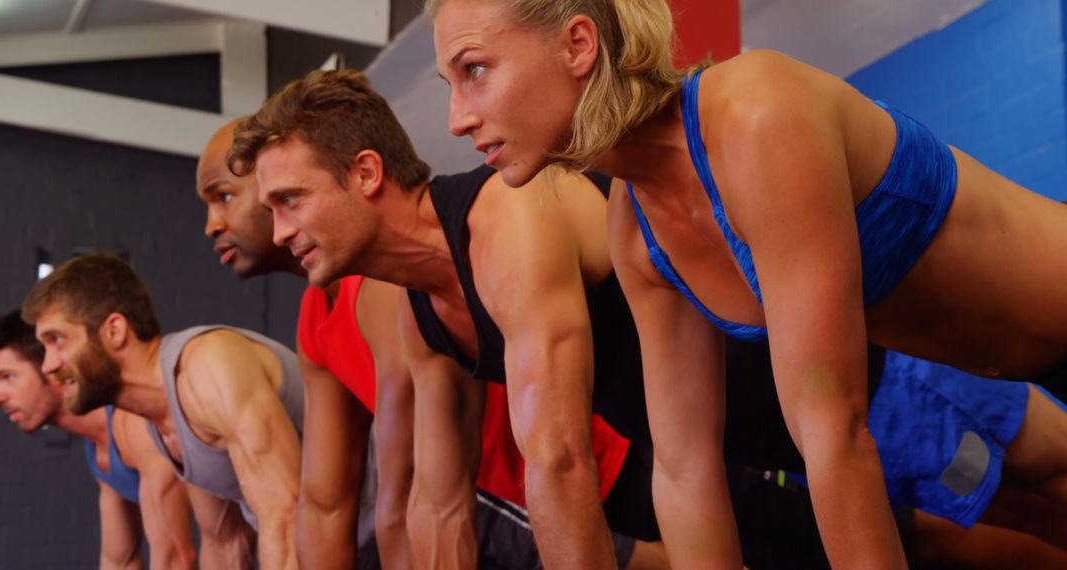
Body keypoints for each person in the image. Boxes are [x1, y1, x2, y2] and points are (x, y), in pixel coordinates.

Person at [427, 0, 1067, 566]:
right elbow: (685, 472)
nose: (456, 119)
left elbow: (832, 430)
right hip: (1014, 361)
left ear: (577, 45)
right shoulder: (634, 229)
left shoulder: (755, 113)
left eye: (474, 70)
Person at [196, 119, 653, 569]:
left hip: (590, 470)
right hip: (499, 492)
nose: (212, 225)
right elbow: (328, 503)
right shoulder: (325, 316)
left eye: (227, 196)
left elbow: (406, 492)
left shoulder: (391, 286)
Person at [21, 254, 305, 570]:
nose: (49, 365)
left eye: (57, 340)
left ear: (114, 331)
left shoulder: (206, 366)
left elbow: (286, 514)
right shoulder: (164, 423)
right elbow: (226, 545)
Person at [0, 310, 198, 570]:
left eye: (7, 377)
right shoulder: (101, 449)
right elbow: (120, 561)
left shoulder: (136, 427)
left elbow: (176, 560)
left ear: (53, 368)